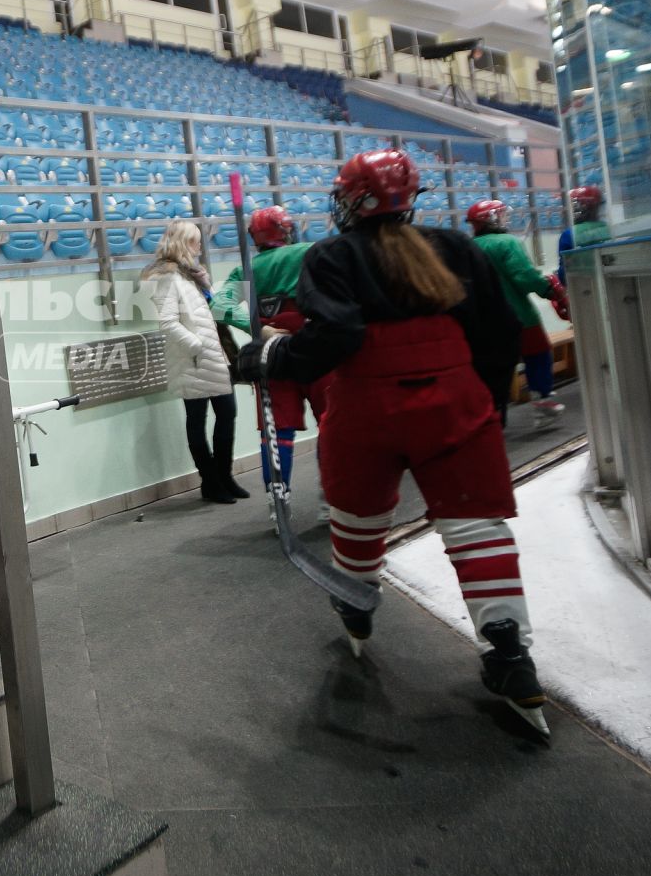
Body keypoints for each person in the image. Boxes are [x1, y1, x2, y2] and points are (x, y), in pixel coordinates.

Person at [235, 150, 549, 734]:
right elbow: (498, 330)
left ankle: (356, 605)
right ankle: (510, 656)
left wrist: (271, 357)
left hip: (368, 405)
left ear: (352, 199)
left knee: (358, 516)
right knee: (477, 526)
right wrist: (485, 405)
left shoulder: (333, 254)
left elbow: (335, 337)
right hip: (456, 398)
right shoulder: (456, 248)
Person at [210, 205, 329, 516]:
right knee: (332, 423)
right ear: (286, 230)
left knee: (276, 433)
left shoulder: (246, 270)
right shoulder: (310, 252)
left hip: (270, 355)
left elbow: (220, 308)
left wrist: (258, 325)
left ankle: (278, 501)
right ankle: (332, 497)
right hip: (315, 349)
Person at [142, 220, 248, 504]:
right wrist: (197, 346)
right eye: (195, 242)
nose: (199, 247)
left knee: (227, 414)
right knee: (197, 420)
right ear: (181, 244)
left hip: (212, 357)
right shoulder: (167, 277)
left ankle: (223, 477)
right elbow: (167, 322)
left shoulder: (192, 276)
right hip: (193, 360)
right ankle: (211, 481)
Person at [465, 200, 569, 430]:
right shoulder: (507, 243)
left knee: (493, 369)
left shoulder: (468, 246)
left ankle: (492, 418)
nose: (505, 219)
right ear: (492, 218)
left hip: (483, 322)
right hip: (519, 316)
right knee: (538, 355)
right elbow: (523, 277)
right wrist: (548, 289)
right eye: (501, 215)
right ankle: (543, 403)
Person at [556, 184, 609, 288]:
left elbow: (564, 275)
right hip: (610, 284)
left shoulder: (569, 234)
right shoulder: (608, 229)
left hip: (582, 290)